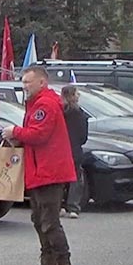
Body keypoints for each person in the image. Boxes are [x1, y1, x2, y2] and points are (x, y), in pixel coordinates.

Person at [2, 66, 77, 265]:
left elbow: (39, 134)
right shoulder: (38, 103)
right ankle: (48, 262)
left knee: (49, 220)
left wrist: (14, 132)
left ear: (42, 82)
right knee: (38, 218)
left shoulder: (45, 104)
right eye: (23, 82)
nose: (24, 86)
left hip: (48, 171)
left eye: (28, 82)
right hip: (40, 170)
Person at [60, 85, 89, 218]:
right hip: (75, 150)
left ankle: (60, 206)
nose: (79, 96)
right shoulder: (79, 114)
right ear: (72, 96)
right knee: (76, 179)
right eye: (77, 94)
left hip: (60, 149)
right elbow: (83, 137)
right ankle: (73, 207)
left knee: (60, 179)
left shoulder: (59, 112)